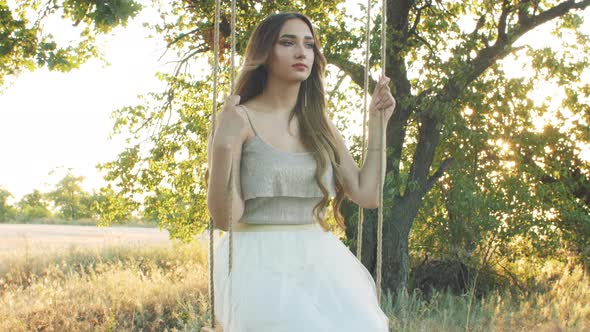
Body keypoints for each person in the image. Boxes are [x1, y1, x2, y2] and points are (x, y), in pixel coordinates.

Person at [206, 11, 395, 332]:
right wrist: (222, 147)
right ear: (264, 54)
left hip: (317, 259)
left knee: (365, 326)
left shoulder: (320, 125)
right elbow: (227, 218)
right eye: (288, 42)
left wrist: (377, 125)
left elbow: (367, 194)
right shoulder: (239, 120)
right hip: (257, 258)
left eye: (308, 45)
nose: (301, 52)